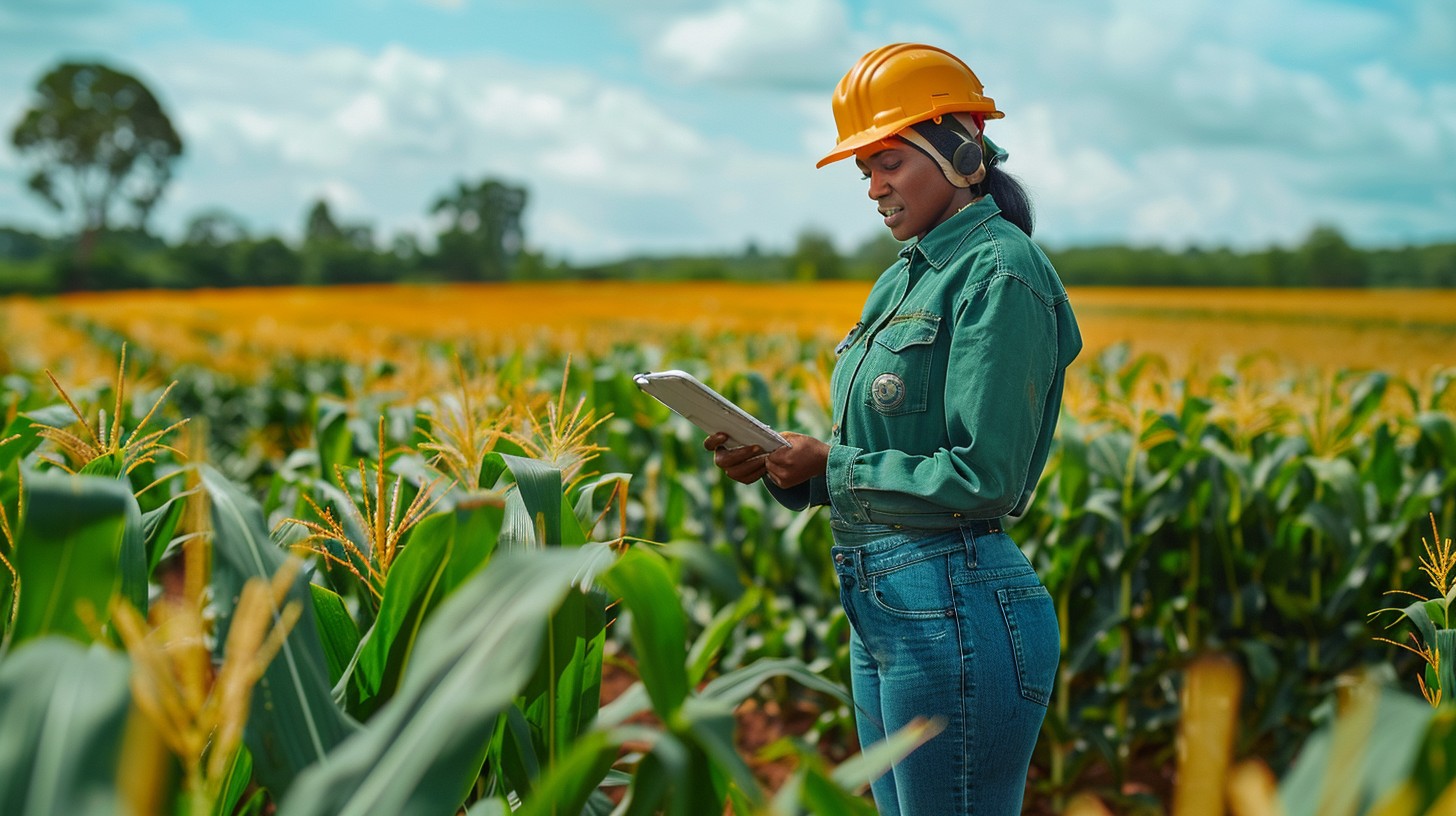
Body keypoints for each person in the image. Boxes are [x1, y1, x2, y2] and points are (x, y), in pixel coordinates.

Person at [705, 43, 1081, 815]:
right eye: (864, 172)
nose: (874, 189)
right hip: (885, 608)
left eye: (889, 164)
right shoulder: (905, 274)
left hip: (955, 604)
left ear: (960, 150)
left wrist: (833, 464)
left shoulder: (1001, 272)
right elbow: (893, 448)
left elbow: (988, 477)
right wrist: (790, 465)